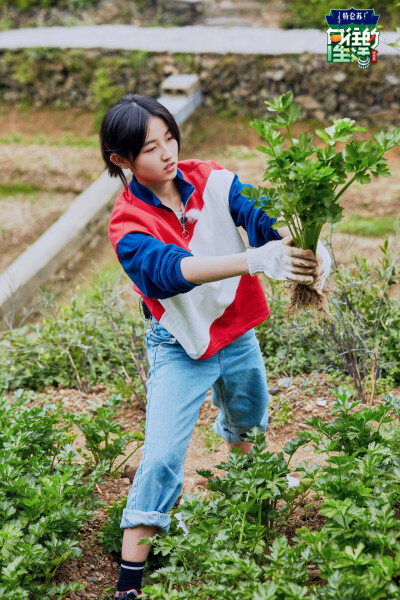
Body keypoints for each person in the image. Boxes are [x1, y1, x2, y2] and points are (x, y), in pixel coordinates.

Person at [101, 93, 330, 599]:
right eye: (149, 148)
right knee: (161, 455)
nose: (167, 153)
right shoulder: (127, 224)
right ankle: (129, 581)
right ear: (122, 161)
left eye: (170, 138)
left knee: (249, 417)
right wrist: (252, 261)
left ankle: (247, 510)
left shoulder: (213, 179)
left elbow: (256, 213)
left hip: (237, 329)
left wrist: (298, 246)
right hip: (180, 344)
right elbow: (168, 273)